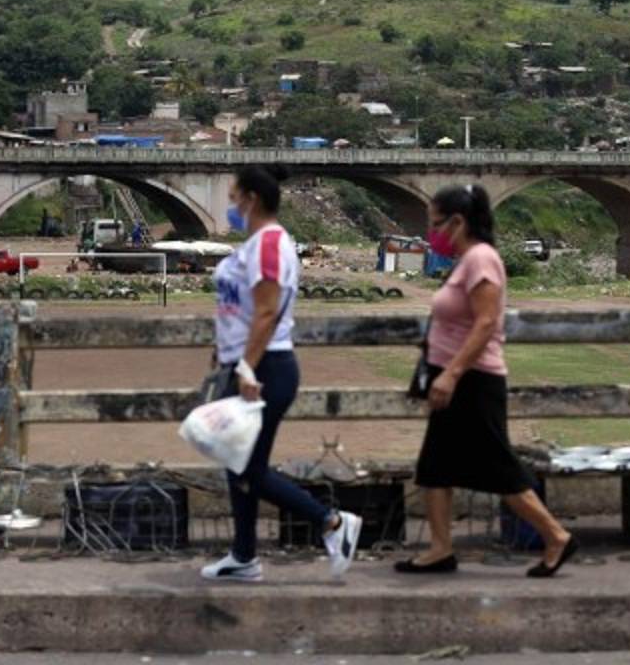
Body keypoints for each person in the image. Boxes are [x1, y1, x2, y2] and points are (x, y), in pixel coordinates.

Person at [396, 184, 577, 578]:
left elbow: (486, 322)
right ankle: (440, 549)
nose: (433, 232)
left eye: (436, 224)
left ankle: (556, 535)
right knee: (435, 467)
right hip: (456, 379)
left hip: (473, 381)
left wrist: (452, 372)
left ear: (458, 222)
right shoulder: (466, 261)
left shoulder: (481, 259)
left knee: (500, 469)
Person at [201, 164, 362, 582]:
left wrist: (246, 366)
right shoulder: (257, 243)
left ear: (251, 199)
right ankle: (243, 555)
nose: (231, 205)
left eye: (235, 197)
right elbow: (245, 309)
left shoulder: (269, 244)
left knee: (248, 469)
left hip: (265, 366)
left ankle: (331, 522)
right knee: (239, 465)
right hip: (251, 364)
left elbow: (268, 311)